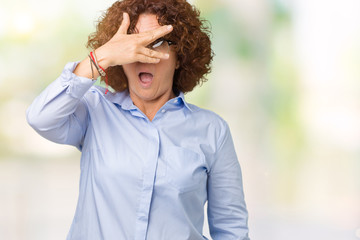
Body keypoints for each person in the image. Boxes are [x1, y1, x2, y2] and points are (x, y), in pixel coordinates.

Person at [26, 0, 250, 239]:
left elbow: (231, 229)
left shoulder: (212, 130)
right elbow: (41, 117)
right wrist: (100, 58)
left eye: (157, 42)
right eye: (130, 43)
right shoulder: (94, 109)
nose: (142, 53)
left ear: (180, 55)